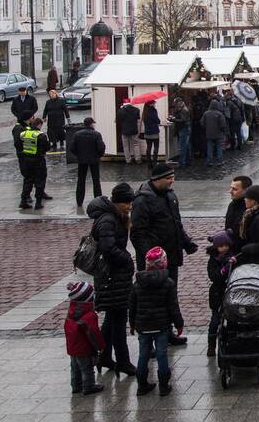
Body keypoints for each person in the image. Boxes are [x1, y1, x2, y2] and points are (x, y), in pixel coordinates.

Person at [130, 163, 197, 345]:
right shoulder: (142, 201)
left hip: (171, 258)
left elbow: (176, 224)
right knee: (151, 301)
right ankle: (149, 341)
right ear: (156, 179)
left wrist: (186, 242)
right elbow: (137, 234)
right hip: (153, 262)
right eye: (168, 179)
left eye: (173, 178)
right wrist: (150, 258)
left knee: (169, 296)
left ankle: (167, 334)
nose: (172, 181)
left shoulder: (170, 195)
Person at [89, 182, 137, 378]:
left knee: (112, 319)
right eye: (126, 202)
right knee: (118, 321)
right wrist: (126, 259)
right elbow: (108, 248)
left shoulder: (114, 217)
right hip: (111, 277)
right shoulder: (109, 220)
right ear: (117, 202)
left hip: (113, 278)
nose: (130, 206)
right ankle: (123, 361)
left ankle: (105, 356)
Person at [129, 247, 183, 397]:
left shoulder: (137, 283)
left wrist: (132, 323)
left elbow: (132, 306)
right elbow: (173, 307)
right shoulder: (168, 282)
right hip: (161, 326)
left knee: (143, 355)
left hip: (143, 326)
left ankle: (141, 385)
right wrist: (179, 324)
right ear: (164, 262)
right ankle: (164, 386)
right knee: (162, 355)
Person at [63, 281, 105, 395]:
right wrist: (100, 346)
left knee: (74, 367)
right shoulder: (90, 315)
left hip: (72, 346)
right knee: (87, 368)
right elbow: (94, 333)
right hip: (84, 348)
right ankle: (89, 386)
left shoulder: (71, 311)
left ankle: (76, 386)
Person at [205, 231, 236, 358]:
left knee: (232, 319)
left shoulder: (232, 256)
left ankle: (232, 342)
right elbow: (214, 276)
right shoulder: (213, 260)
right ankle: (211, 345)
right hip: (217, 294)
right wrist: (224, 270)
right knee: (215, 320)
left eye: (226, 245)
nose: (224, 248)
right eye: (221, 246)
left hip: (230, 292)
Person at [69, 117, 106, 207]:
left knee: (81, 181)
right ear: (91, 124)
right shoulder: (96, 134)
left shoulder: (77, 134)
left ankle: (79, 201)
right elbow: (101, 148)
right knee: (96, 181)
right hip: (94, 160)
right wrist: (99, 155)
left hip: (82, 160)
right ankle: (98, 200)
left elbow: (72, 148)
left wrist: (78, 155)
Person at [19, 117, 50, 209]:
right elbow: (47, 147)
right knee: (40, 181)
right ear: (39, 125)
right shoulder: (41, 135)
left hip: (26, 160)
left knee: (27, 181)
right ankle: (38, 203)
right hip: (38, 161)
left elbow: (19, 144)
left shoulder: (24, 133)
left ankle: (23, 201)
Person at [224, 176, 253, 249]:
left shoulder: (250, 208)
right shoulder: (231, 205)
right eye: (231, 188)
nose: (230, 191)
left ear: (246, 190)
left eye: (234, 189)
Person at [201, 98, 227, 166]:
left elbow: (202, 123)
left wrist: (206, 129)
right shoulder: (219, 114)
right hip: (218, 134)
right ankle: (220, 161)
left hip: (209, 134)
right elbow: (223, 125)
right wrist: (223, 132)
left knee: (210, 148)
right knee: (219, 147)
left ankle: (209, 161)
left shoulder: (206, 113)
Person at [116, 99, 142, 164]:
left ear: (123, 103)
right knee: (136, 144)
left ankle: (128, 160)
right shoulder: (136, 110)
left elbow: (118, 120)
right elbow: (138, 118)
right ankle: (138, 159)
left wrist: (121, 109)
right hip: (134, 130)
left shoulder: (120, 111)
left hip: (125, 131)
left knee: (126, 146)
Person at [168, 97, 192, 167]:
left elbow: (183, 120)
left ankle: (182, 163)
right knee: (186, 146)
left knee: (182, 146)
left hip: (184, 129)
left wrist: (173, 120)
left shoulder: (184, 110)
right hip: (184, 129)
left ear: (179, 102)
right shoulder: (182, 108)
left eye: (176, 103)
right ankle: (187, 162)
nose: (175, 104)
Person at [141, 100, 162, 167]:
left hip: (147, 133)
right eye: (154, 103)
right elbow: (157, 120)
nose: (155, 104)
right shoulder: (153, 111)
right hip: (154, 132)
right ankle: (154, 162)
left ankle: (149, 163)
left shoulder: (144, 111)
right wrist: (158, 121)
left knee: (149, 148)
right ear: (150, 104)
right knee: (156, 147)